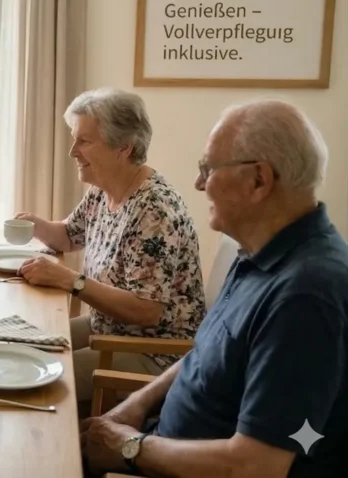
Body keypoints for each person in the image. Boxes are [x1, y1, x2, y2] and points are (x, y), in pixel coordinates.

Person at [80, 99, 347, 478]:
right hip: (159, 443)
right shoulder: (259, 251)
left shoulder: (306, 296)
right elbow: (207, 353)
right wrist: (135, 405)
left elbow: (257, 466)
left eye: (208, 169)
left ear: (259, 180)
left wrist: (130, 447)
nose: (199, 183)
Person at [14, 88, 205, 402]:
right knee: (22, 347)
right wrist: (36, 225)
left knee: (35, 375)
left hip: (155, 353)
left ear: (123, 148)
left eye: (84, 141)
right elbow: (68, 235)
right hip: (109, 329)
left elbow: (146, 310)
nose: (73, 152)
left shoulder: (154, 211)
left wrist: (70, 280)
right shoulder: (104, 190)